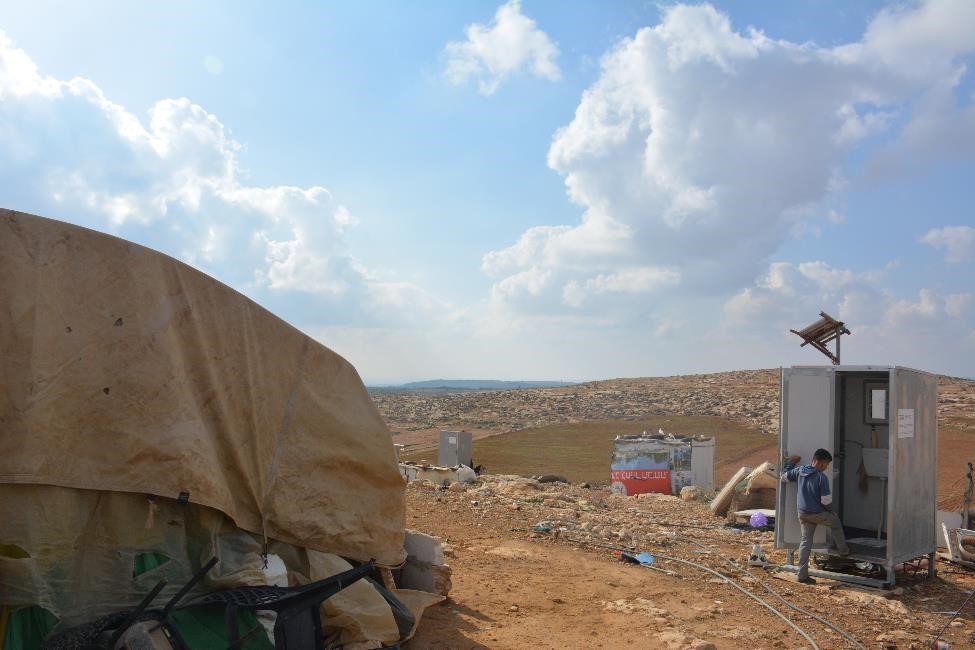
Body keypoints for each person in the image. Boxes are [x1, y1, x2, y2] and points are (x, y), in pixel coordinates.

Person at [780, 448, 850, 584]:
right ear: (819, 463)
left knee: (806, 541)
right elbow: (826, 500)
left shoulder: (800, 470)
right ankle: (844, 551)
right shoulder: (821, 477)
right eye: (825, 465)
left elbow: (783, 477)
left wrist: (791, 463)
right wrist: (831, 511)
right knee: (835, 523)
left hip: (802, 513)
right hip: (817, 513)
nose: (825, 467)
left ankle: (802, 575)